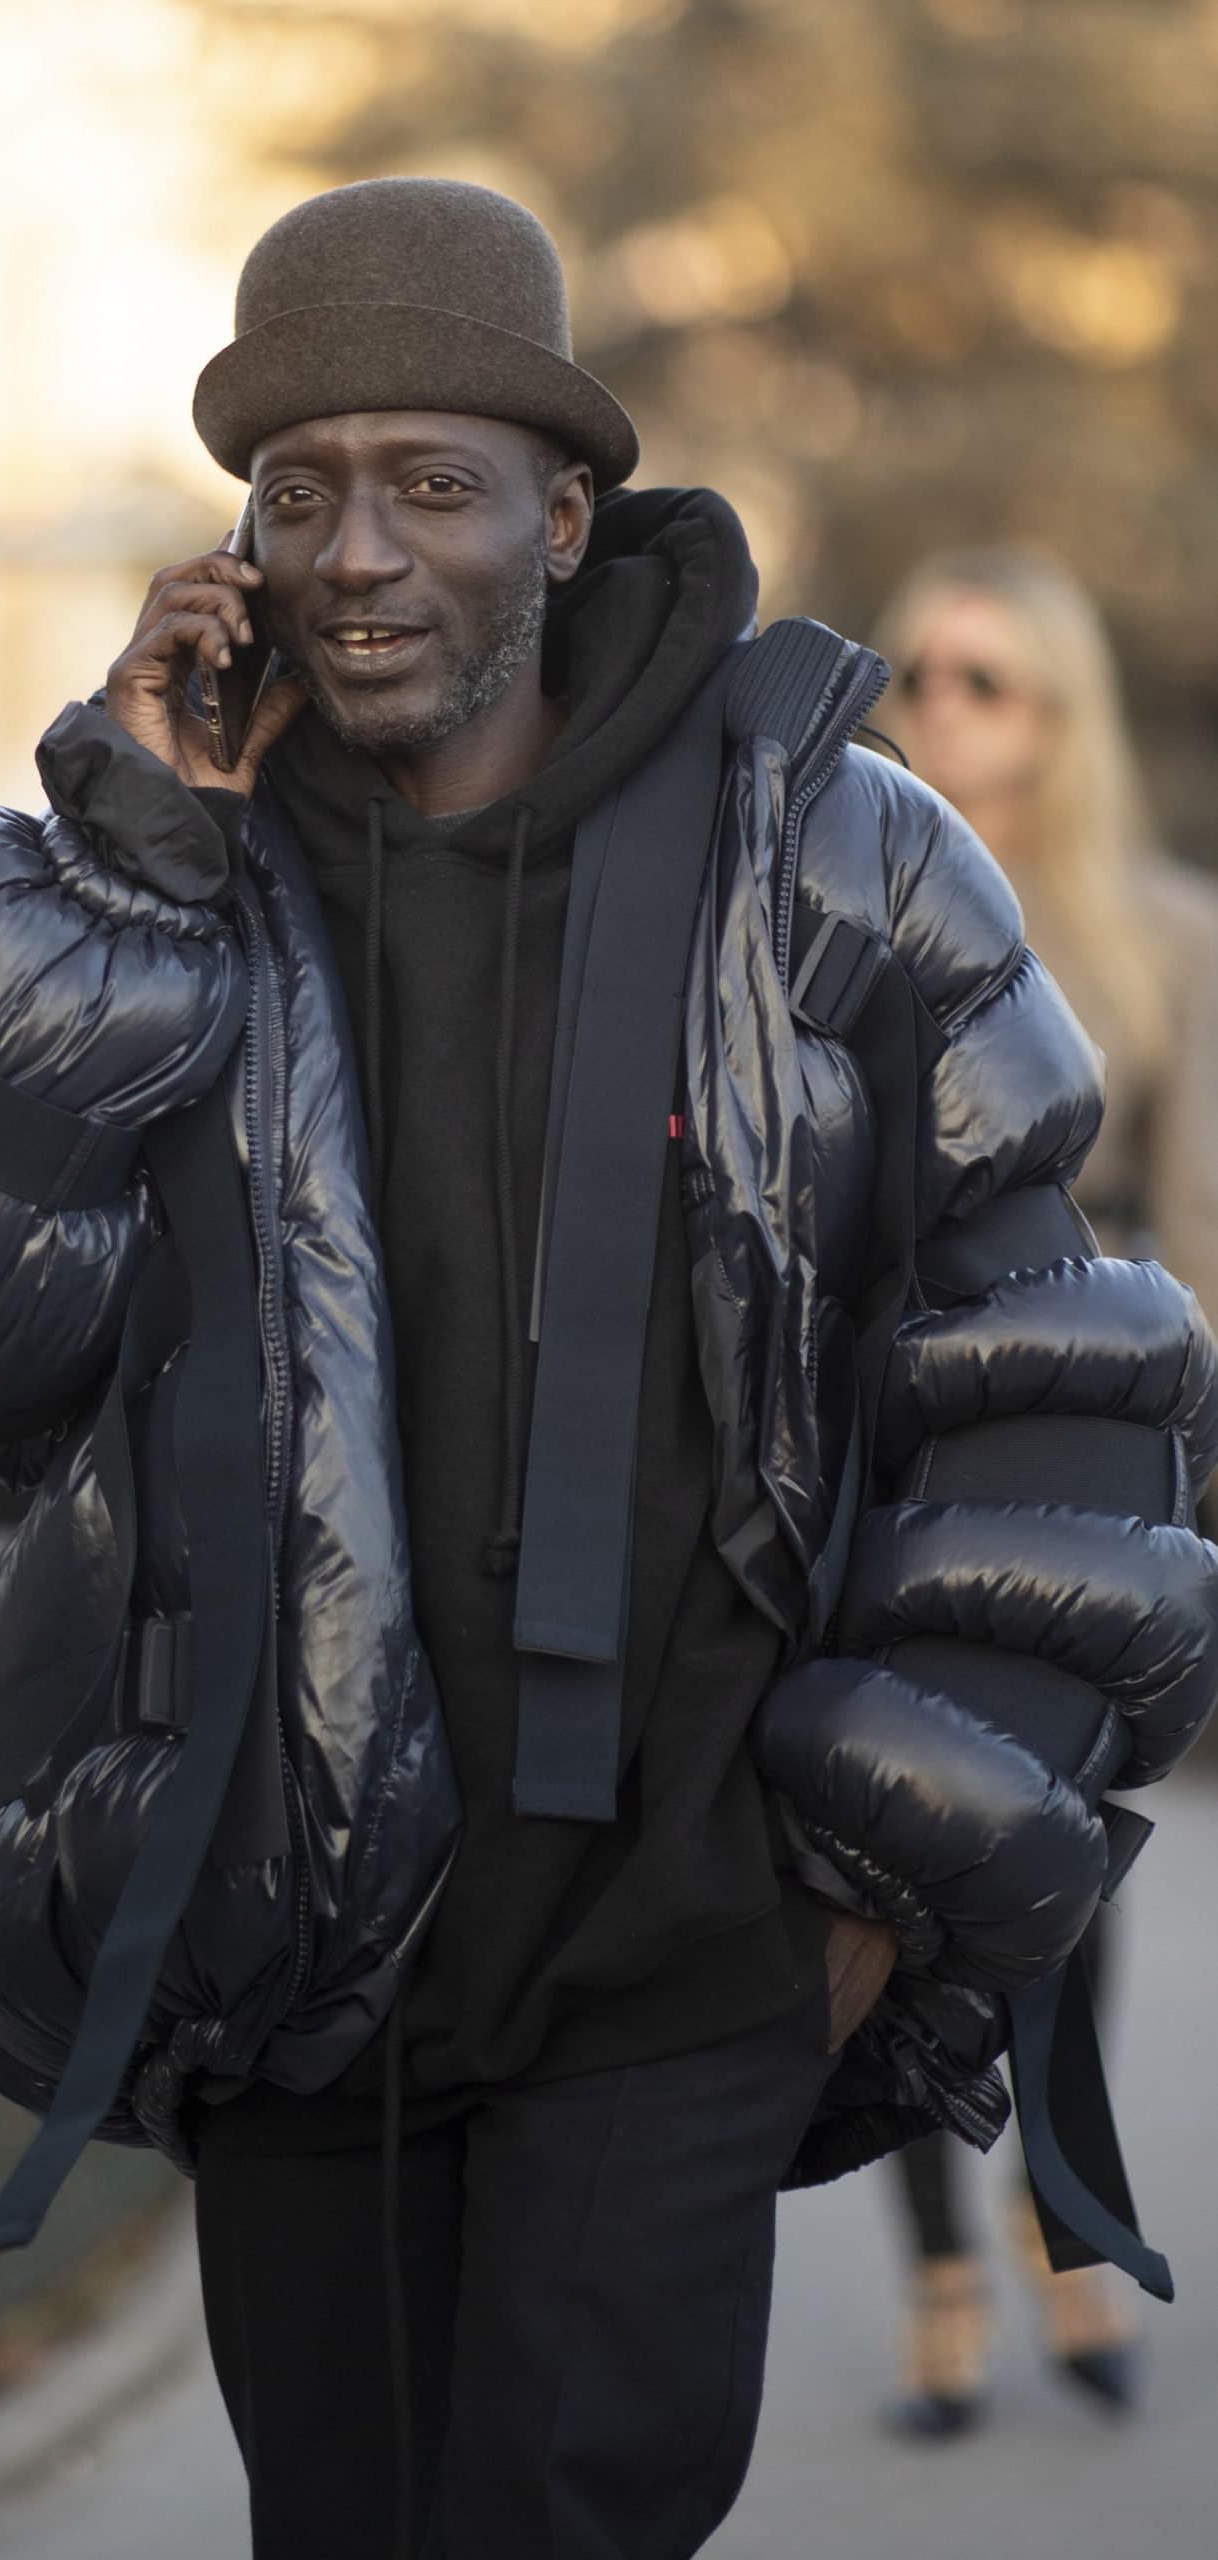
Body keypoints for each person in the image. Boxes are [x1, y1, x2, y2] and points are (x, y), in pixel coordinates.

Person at [0, 179, 1218, 2559]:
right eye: (297, 491)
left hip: (686, 1941)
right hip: (293, 1932)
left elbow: (1047, 1375)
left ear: (560, 511)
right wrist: (113, 858)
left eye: (428, 483)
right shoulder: (176, 871)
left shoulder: (829, 853)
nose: (358, 552)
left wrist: (868, 1874)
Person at [870, 544, 1218, 2438]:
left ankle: (1069, 2223)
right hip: (889, 1453)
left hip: (1091, 1476)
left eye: (984, 679)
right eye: (918, 673)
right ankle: (938, 2265)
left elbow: (1208, 1239)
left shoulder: (1169, 936)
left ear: (1062, 715)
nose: (937, 707)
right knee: (888, 1858)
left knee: (1066, 1868)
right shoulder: (845, 912)